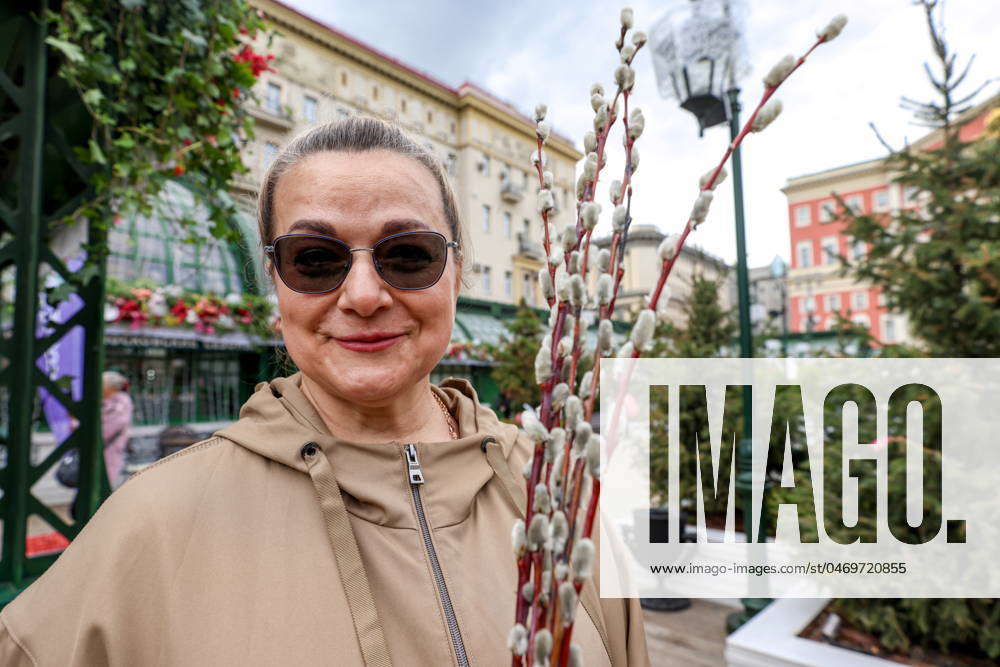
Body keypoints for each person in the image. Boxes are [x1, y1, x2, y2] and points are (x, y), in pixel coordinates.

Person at [0, 117, 650, 665]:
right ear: (276, 285)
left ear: (459, 274)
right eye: (314, 258)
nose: (364, 295)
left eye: (408, 254)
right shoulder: (152, 525)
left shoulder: (561, 496)